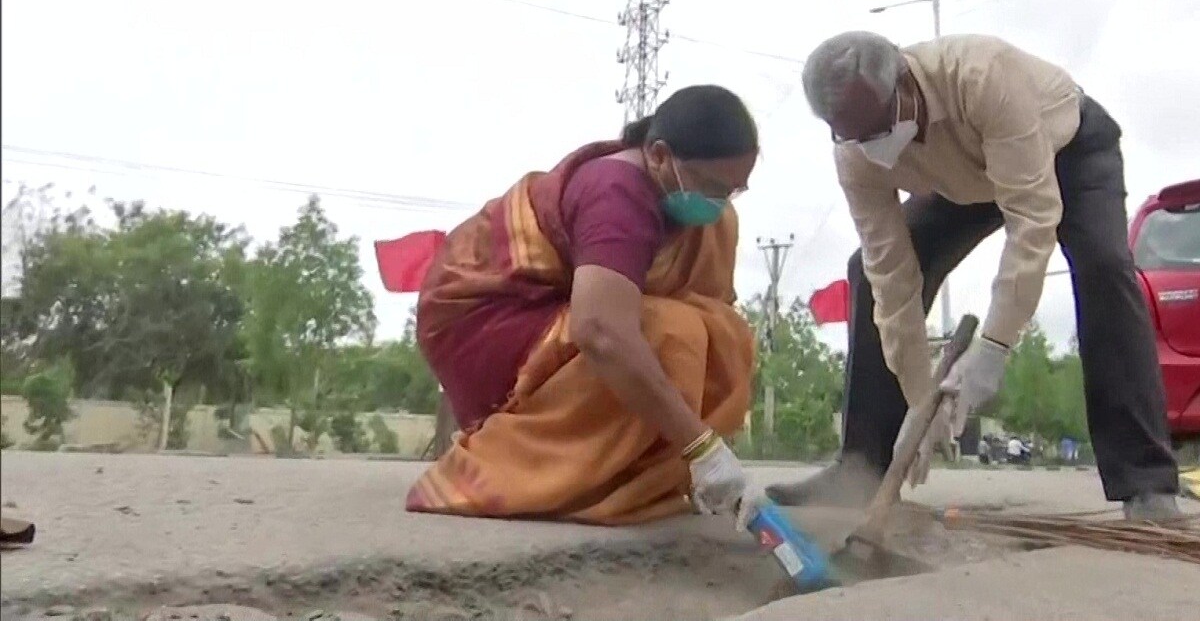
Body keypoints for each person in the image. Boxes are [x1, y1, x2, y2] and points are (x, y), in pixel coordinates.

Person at [766, 31, 1181, 521]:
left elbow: (1031, 224)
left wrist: (994, 348)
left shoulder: (983, 77)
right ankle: (862, 467)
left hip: (1062, 149)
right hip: (961, 181)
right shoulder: (855, 151)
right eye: (850, 136)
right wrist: (920, 400)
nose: (870, 148)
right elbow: (890, 270)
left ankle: (1146, 483)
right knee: (865, 272)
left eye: (877, 130)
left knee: (1106, 269)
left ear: (903, 80)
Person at [406, 84, 762, 525]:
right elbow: (600, 330)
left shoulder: (704, 216)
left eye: (733, 189)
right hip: (492, 325)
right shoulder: (616, 195)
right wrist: (703, 448)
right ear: (658, 155)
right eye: (710, 186)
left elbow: (712, 306)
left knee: (725, 335)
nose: (718, 202)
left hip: (572, 317)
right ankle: (527, 470)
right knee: (671, 335)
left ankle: (645, 476)